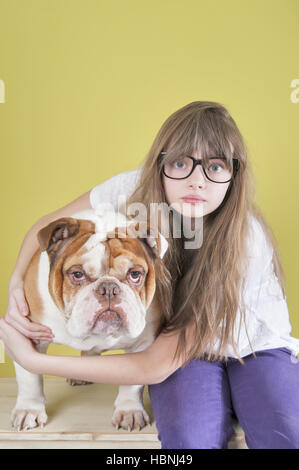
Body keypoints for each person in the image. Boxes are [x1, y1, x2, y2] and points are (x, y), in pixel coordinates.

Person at [1, 101, 299, 449]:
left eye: (215, 166)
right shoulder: (132, 190)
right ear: (159, 164)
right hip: (182, 348)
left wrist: (35, 360)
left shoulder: (246, 240)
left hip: (254, 346)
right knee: (188, 439)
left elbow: (153, 367)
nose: (197, 181)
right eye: (180, 163)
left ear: (235, 175)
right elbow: (45, 226)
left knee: (284, 434)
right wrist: (16, 283)